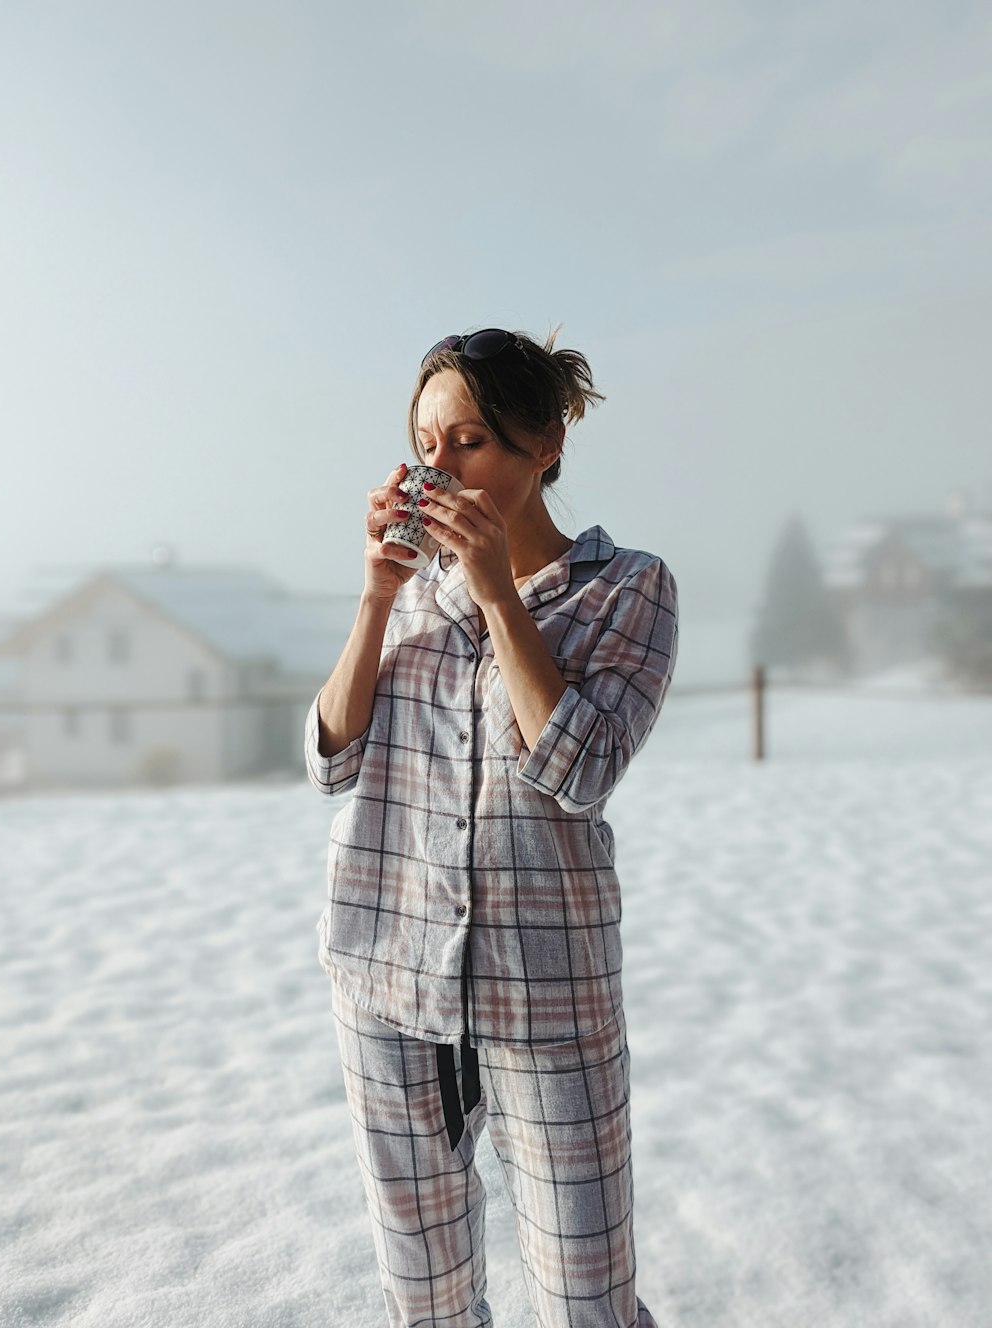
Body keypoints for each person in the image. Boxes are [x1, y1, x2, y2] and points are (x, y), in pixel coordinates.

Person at [305, 327, 679, 1328]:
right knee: (425, 1299)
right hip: (384, 972)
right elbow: (331, 756)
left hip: (545, 989)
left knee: (587, 1296)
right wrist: (378, 597)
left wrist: (496, 592)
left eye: (467, 439)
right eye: (425, 441)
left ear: (543, 443)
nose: (437, 466)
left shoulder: (628, 586)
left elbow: (580, 768)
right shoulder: (410, 591)